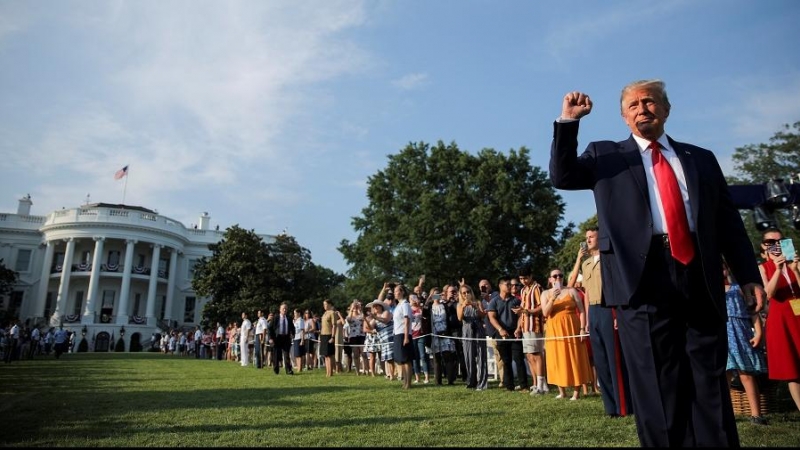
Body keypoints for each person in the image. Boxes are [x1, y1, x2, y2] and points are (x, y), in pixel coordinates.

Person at [549, 79, 766, 447]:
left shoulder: (701, 158)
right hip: (640, 280)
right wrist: (568, 122)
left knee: (708, 377)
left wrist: (748, 275)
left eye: (649, 102)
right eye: (632, 105)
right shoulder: (605, 156)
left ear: (666, 109)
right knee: (655, 380)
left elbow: (728, 222)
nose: (641, 109)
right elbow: (563, 176)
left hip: (699, 273)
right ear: (623, 116)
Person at [568, 228, 632, 417]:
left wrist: (616, 315)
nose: (587, 240)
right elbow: (583, 293)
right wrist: (587, 320)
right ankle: (610, 407)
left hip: (608, 309)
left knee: (615, 360)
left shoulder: (610, 260)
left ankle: (624, 406)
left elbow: (617, 288)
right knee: (601, 362)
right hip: (594, 313)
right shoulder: (586, 263)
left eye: (591, 237)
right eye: (586, 237)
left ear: (600, 238)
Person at [758, 228, 800, 412]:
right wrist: (778, 269)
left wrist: (796, 270)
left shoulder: (794, 262)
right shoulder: (763, 267)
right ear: (764, 246)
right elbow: (769, 293)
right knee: (792, 369)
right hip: (781, 318)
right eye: (770, 242)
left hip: (798, 313)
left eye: (780, 241)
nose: (776, 245)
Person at [723, 261, 768, 425]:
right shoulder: (710, 291)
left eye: (723, 267)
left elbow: (754, 313)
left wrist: (759, 332)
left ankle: (756, 414)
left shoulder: (739, 289)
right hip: (722, 337)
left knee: (746, 375)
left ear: (727, 269)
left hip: (740, 335)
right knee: (724, 376)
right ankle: (724, 413)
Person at [541, 269, 592, 401]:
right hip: (554, 330)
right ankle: (562, 391)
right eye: (555, 276)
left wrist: (582, 328)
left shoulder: (571, 291)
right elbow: (545, 313)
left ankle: (576, 392)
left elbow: (581, 311)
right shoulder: (545, 293)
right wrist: (553, 298)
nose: (558, 278)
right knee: (557, 357)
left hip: (572, 328)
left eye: (560, 275)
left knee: (575, 357)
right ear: (550, 279)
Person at [486, 276, 529, 392]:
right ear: (500, 286)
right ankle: (509, 386)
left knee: (519, 359)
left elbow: (521, 315)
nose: (511, 287)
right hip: (501, 333)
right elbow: (492, 317)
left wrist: (519, 328)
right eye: (508, 284)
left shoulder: (516, 300)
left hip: (515, 333)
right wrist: (500, 329)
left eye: (511, 284)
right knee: (506, 360)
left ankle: (524, 386)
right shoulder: (494, 301)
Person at [516, 266, 547, 395]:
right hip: (525, 326)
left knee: (536, 354)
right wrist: (518, 327)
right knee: (529, 356)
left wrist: (527, 311)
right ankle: (538, 384)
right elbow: (522, 310)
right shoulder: (523, 291)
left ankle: (541, 384)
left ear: (530, 276)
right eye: (521, 278)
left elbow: (542, 306)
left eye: (525, 278)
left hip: (535, 325)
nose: (523, 281)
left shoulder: (537, 288)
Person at [457, 281, 488, 391]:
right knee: (469, 357)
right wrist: (464, 306)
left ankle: (482, 382)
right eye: (463, 293)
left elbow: (483, 315)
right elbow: (460, 318)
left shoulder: (478, 302)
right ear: (461, 294)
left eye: (468, 292)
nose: (466, 294)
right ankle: (471, 381)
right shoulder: (460, 305)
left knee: (481, 355)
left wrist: (476, 307)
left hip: (478, 329)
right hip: (467, 330)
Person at [392, 284, 414, 389]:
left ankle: (408, 383)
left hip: (403, 333)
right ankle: (405, 381)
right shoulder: (398, 305)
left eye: (396, 291)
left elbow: (407, 321)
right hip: (397, 334)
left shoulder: (405, 304)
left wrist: (406, 337)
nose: (395, 293)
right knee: (401, 360)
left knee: (406, 360)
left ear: (402, 292)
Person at [269, 302, 295, 375]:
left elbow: (293, 328)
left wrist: (293, 334)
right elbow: (270, 328)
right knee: (276, 354)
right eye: (283, 308)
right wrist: (271, 338)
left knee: (287, 355)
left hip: (286, 338)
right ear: (280, 310)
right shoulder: (276, 318)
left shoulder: (289, 318)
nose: (284, 310)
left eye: (286, 308)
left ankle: (289, 370)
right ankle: (276, 369)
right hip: (277, 338)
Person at [320, 299, 337, 377]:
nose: (324, 306)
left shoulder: (332, 313)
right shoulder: (324, 313)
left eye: (326, 304)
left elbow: (334, 325)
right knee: (325, 355)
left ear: (330, 305)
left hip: (329, 335)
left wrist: (332, 337)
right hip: (323, 335)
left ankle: (330, 372)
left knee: (329, 355)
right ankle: (327, 372)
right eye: (324, 304)